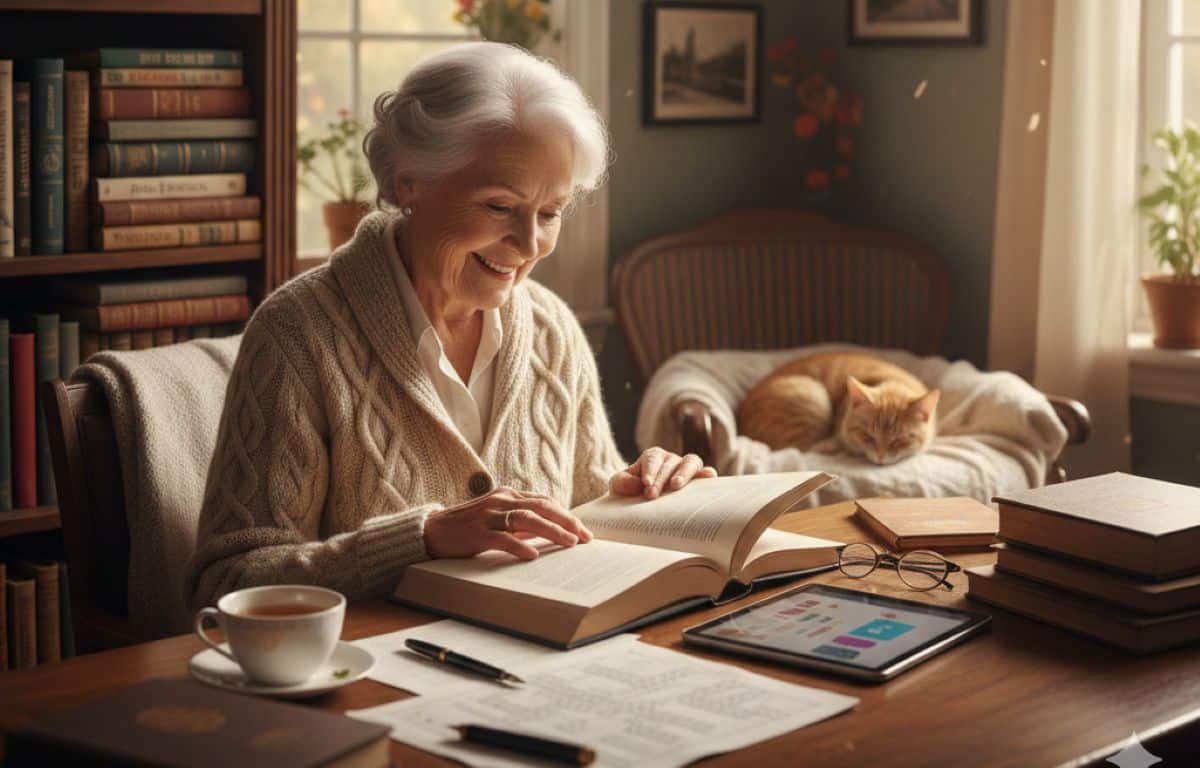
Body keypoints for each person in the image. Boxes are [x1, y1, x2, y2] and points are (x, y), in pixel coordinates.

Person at [184, 42, 717, 611]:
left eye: (550, 212)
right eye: (497, 206)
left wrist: (653, 496)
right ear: (409, 181)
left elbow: (590, 514)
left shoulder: (552, 329)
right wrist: (420, 541)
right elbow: (225, 583)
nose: (530, 245)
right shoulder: (299, 334)